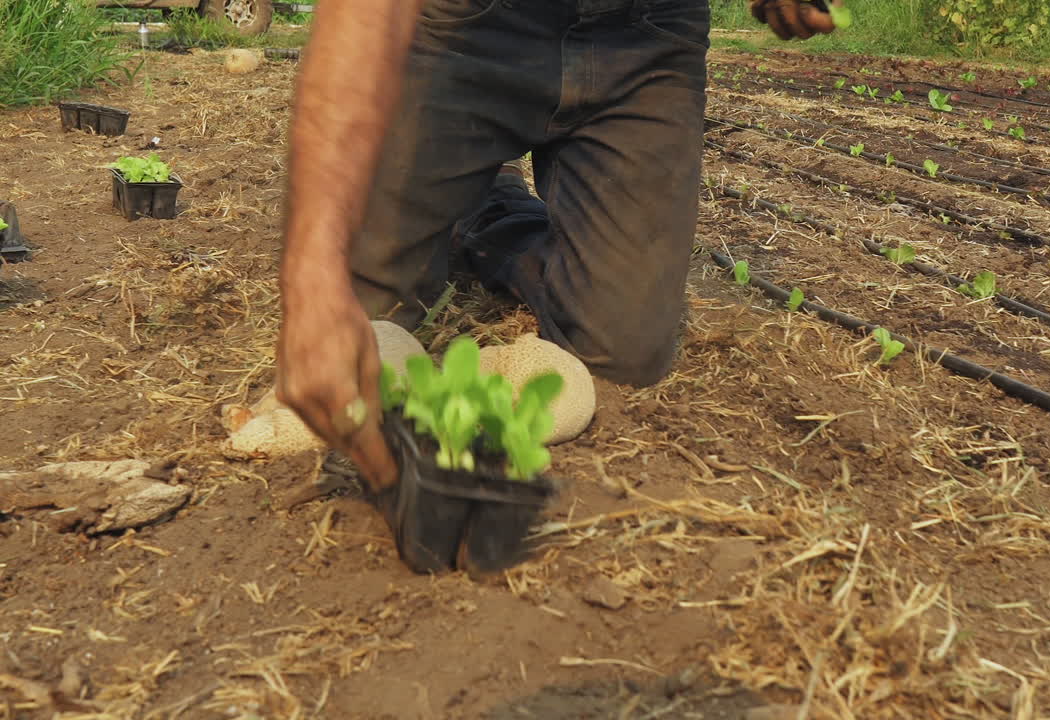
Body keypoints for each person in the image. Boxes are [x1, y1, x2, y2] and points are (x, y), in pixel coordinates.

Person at [274, 0, 836, 566]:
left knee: (624, 348)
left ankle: (489, 210)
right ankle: (465, 188)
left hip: (647, 37)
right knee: (364, 310)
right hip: (467, 27)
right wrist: (313, 278)